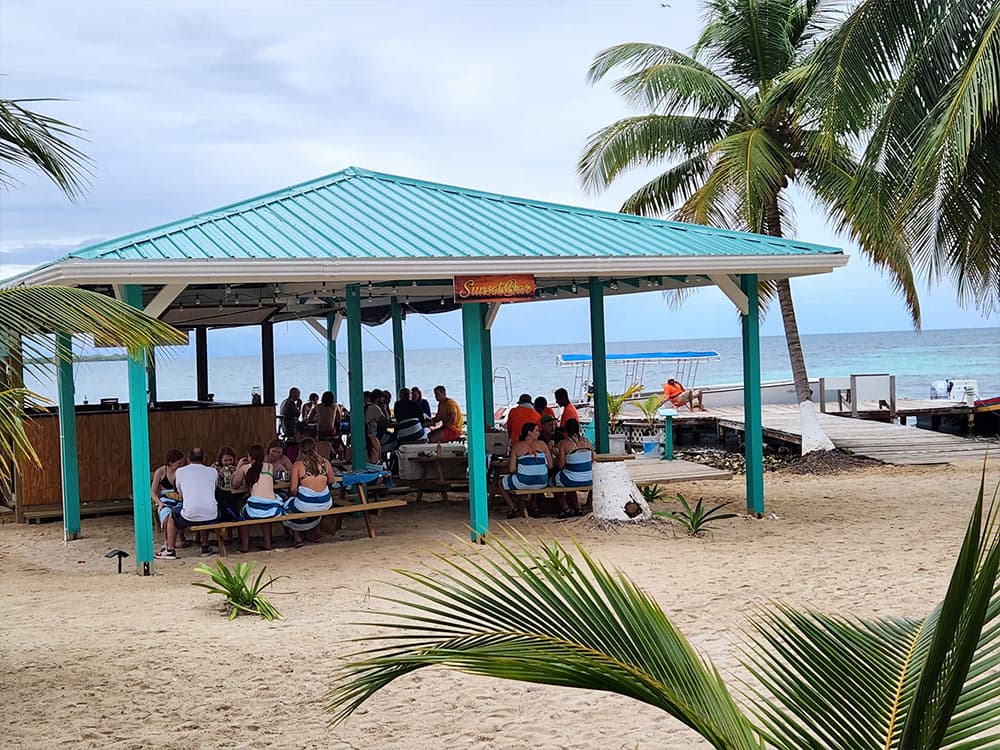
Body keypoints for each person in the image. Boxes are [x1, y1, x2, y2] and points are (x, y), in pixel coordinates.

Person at [156, 447, 219, 559]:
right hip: (213, 514)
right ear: (204, 459)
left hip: (190, 513)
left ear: (188, 459)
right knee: (203, 514)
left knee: (172, 516)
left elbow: (180, 492)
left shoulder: (180, 472)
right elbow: (214, 487)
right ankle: (205, 547)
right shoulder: (213, 471)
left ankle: (170, 549)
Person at [284, 437, 337, 547]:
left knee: (288, 506)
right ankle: (315, 533)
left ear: (301, 450)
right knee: (315, 507)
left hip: (306, 503)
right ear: (315, 448)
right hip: (325, 502)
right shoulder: (325, 462)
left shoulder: (298, 465)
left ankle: (297, 537)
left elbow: (293, 488)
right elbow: (332, 480)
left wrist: (295, 495)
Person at [233, 444, 283, 553]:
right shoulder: (270, 466)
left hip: (255, 508)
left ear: (250, 457)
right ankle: (267, 543)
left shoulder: (245, 468)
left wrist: (239, 467)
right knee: (265, 513)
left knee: (242, 514)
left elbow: (235, 485)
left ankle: (245, 545)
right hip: (273, 509)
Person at [497, 422, 552, 519]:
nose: (539, 433)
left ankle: (514, 508)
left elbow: (511, 469)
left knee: (500, 482)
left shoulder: (517, 446)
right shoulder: (543, 445)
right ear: (529, 432)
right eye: (536, 431)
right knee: (535, 476)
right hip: (542, 482)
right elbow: (550, 465)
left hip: (523, 482)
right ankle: (534, 506)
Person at [551, 418, 594, 518]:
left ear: (566, 430)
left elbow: (561, 465)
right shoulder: (587, 441)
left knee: (553, 482)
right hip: (589, 478)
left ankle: (566, 508)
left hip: (572, 478)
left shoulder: (563, 443)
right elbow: (592, 460)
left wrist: (556, 455)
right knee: (567, 476)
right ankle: (577, 507)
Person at [150, 448, 186, 552]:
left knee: (179, 514)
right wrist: (159, 503)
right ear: (170, 462)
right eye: (179, 463)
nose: (181, 465)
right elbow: (152, 491)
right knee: (166, 516)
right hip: (165, 500)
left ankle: (181, 538)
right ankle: (167, 542)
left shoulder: (182, 472)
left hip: (180, 499)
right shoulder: (161, 471)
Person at [213, 446, 241, 525]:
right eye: (225, 460)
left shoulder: (237, 467)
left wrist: (237, 471)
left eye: (230, 460)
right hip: (220, 493)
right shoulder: (216, 466)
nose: (228, 463)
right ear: (220, 460)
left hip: (234, 493)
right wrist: (219, 474)